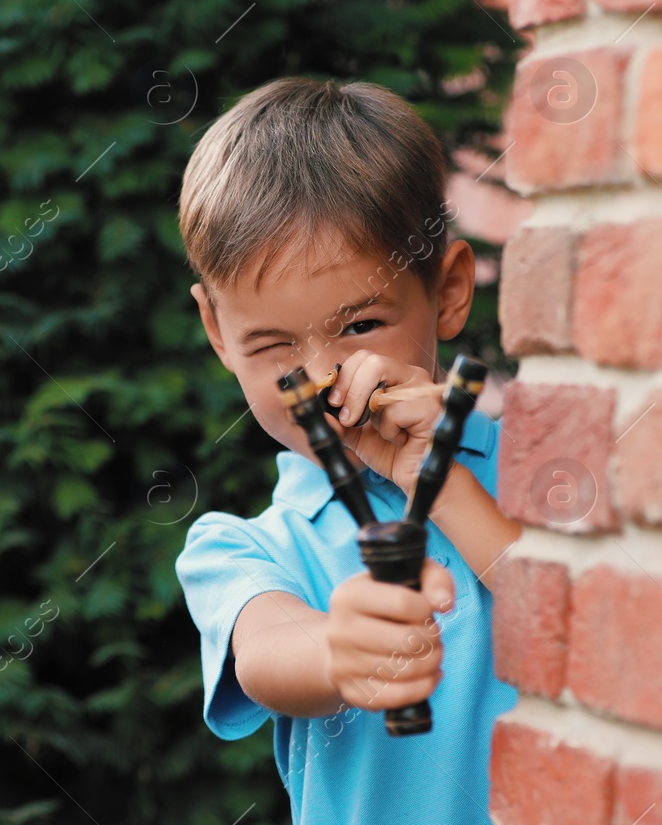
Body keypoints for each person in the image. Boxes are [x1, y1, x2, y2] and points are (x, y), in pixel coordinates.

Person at [174, 76, 521, 824]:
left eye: (360, 325)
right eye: (271, 345)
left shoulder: (539, 473)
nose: (324, 378)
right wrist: (341, 644)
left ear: (451, 289)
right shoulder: (237, 548)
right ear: (217, 333)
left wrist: (445, 482)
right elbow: (268, 653)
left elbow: (574, 625)